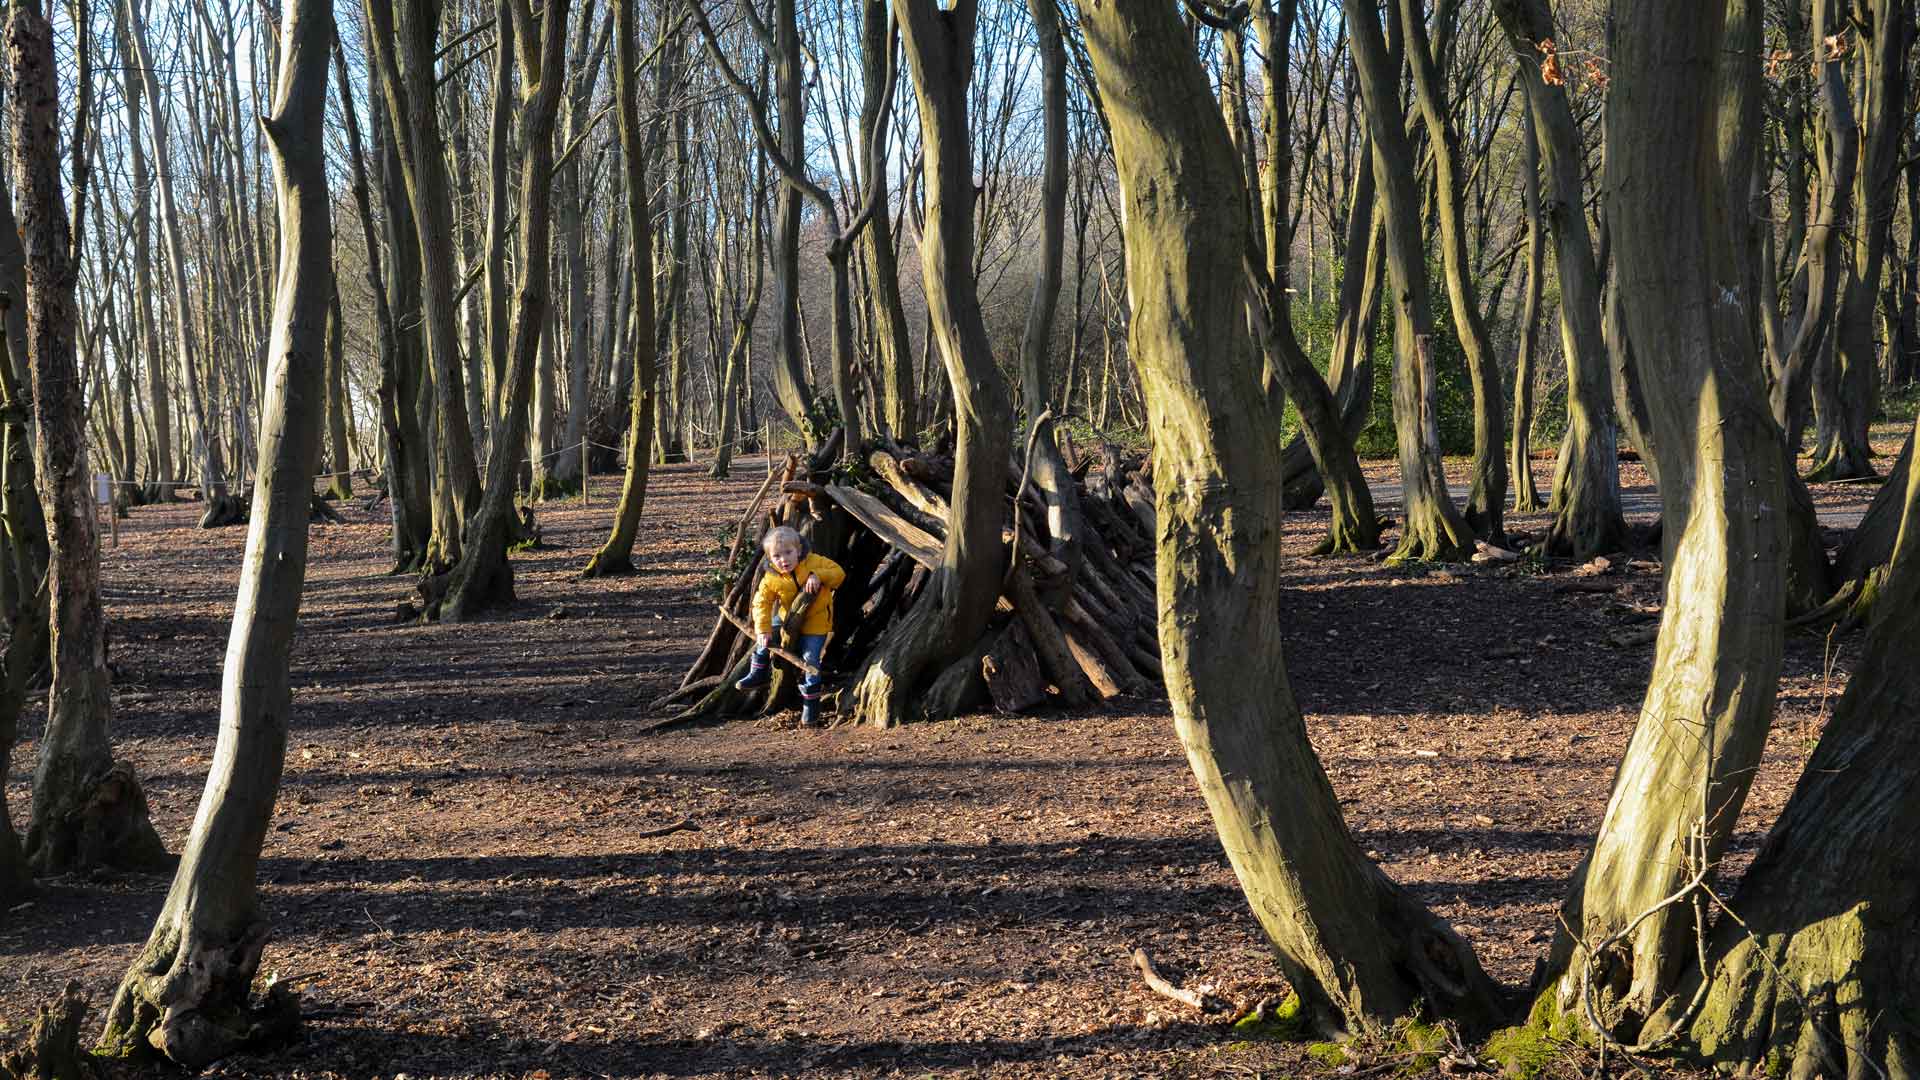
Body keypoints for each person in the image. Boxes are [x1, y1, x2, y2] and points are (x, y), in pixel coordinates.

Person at [735, 526, 845, 727]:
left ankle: (811, 704)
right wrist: (763, 629)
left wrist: (817, 575)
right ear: (770, 558)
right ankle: (757, 672)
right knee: (763, 637)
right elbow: (761, 603)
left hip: (816, 621)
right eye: (777, 556)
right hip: (787, 618)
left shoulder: (814, 562)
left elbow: (838, 573)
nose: (784, 559)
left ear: (799, 550)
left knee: (811, 660)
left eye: (788, 553)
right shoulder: (772, 577)